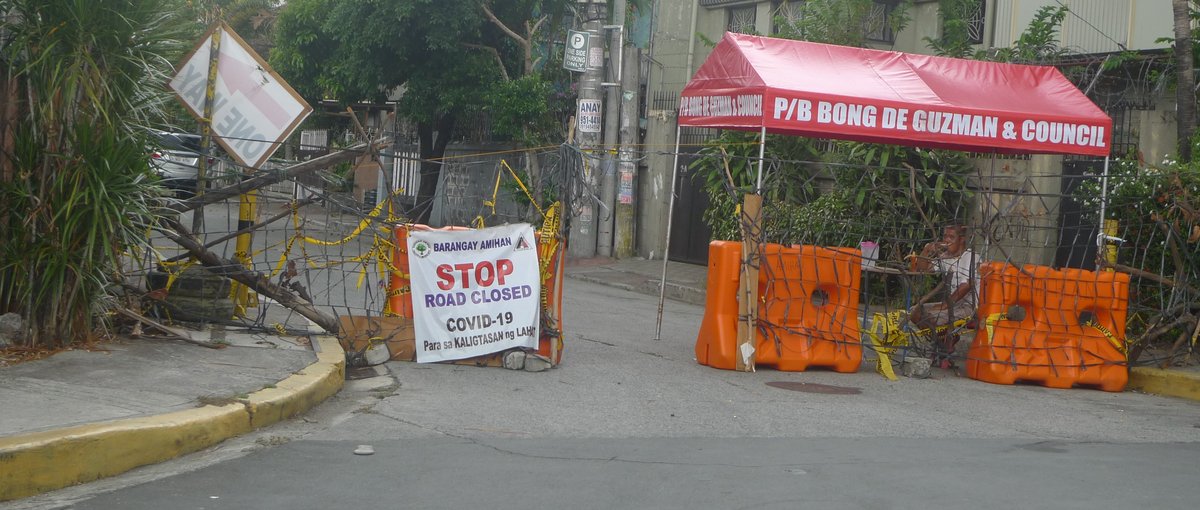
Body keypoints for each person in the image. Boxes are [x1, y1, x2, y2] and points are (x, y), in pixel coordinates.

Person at [908, 225, 978, 332]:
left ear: (961, 239)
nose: (946, 240)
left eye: (951, 237)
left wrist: (946, 305)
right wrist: (927, 250)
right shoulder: (946, 256)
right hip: (953, 304)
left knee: (929, 317)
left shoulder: (970, 256)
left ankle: (944, 342)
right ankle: (942, 341)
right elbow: (923, 270)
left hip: (969, 306)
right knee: (914, 311)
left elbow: (967, 285)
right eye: (945, 236)